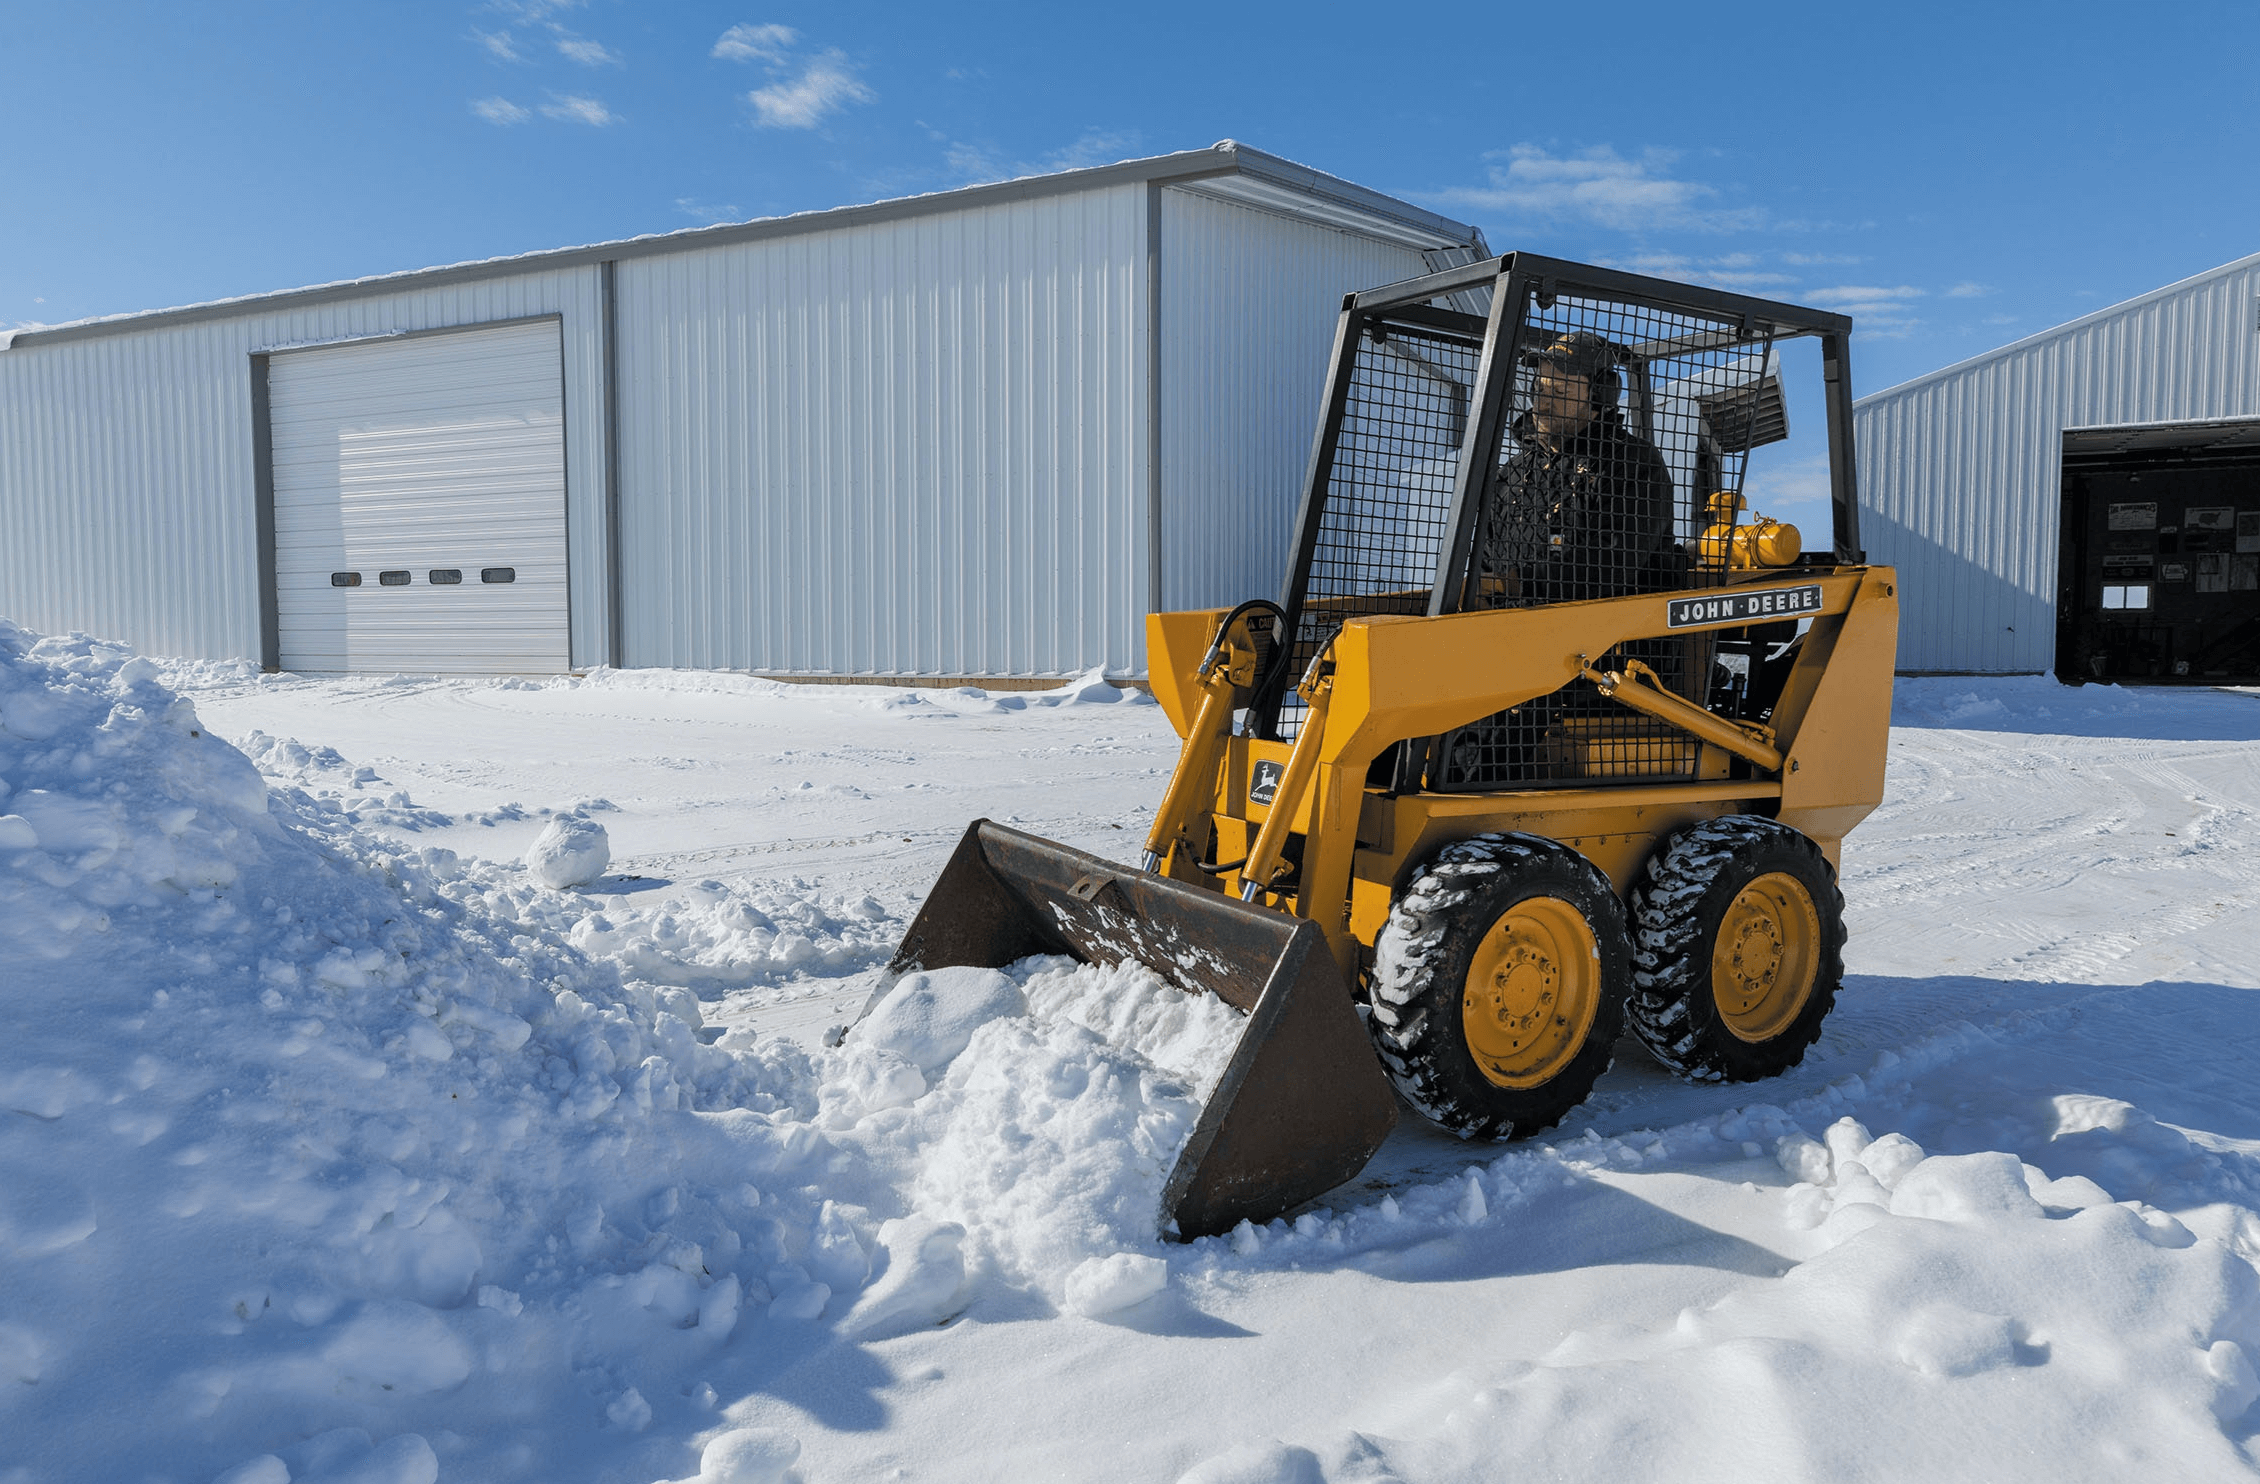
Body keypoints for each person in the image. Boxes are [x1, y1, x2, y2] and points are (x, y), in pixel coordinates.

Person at [1477, 331, 1676, 606]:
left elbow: (1611, 565)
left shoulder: (1632, 464)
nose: (1542, 403)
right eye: (1540, 389)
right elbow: (1485, 560)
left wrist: (1517, 583)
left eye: (1560, 391)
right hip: (1508, 634)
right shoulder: (1513, 473)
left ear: (1598, 396)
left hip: (1606, 639)